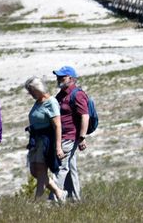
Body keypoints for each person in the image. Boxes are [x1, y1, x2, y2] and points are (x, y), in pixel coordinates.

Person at [24, 76, 65, 201]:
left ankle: (38, 201)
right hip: (35, 140)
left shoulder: (51, 102)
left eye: (31, 90)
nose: (30, 93)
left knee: (41, 171)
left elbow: (57, 125)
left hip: (46, 140)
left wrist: (58, 147)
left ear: (38, 89)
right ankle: (59, 192)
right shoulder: (38, 102)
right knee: (34, 171)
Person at [53, 66, 90, 201]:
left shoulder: (77, 94)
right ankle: (74, 199)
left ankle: (54, 201)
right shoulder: (61, 95)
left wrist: (82, 137)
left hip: (69, 137)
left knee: (60, 168)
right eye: (57, 76)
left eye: (62, 77)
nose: (58, 79)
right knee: (70, 169)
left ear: (71, 78)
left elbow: (85, 116)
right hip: (62, 136)